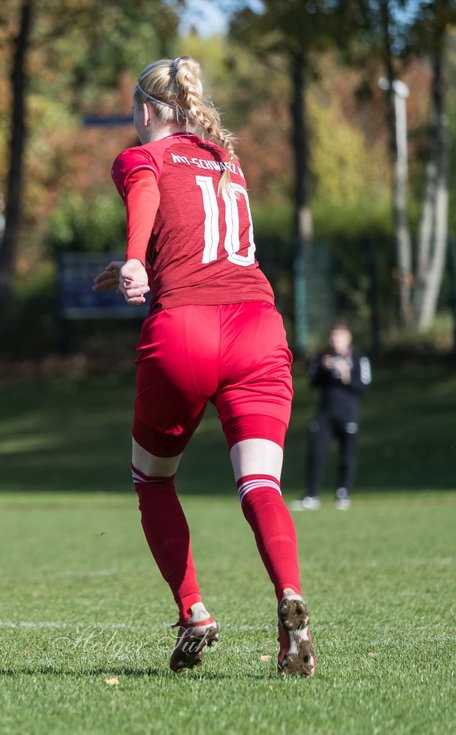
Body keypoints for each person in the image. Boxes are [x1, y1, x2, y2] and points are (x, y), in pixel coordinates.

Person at [92, 56, 315, 676]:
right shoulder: (225, 159)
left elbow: (146, 194)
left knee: (153, 479)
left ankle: (194, 610)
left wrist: (135, 261)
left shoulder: (142, 155)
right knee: (260, 484)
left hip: (185, 331)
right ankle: (289, 595)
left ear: (144, 109)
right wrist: (143, 266)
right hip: (258, 328)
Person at [293, 321, 370, 511]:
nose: (335, 341)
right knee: (316, 452)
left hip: (348, 412)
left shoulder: (359, 359)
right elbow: (313, 382)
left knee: (347, 454)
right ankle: (311, 495)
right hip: (325, 413)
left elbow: (363, 388)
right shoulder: (323, 358)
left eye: (339, 336)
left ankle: (342, 493)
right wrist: (324, 371)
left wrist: (346, 376)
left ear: (348, 338)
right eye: (333, 337)